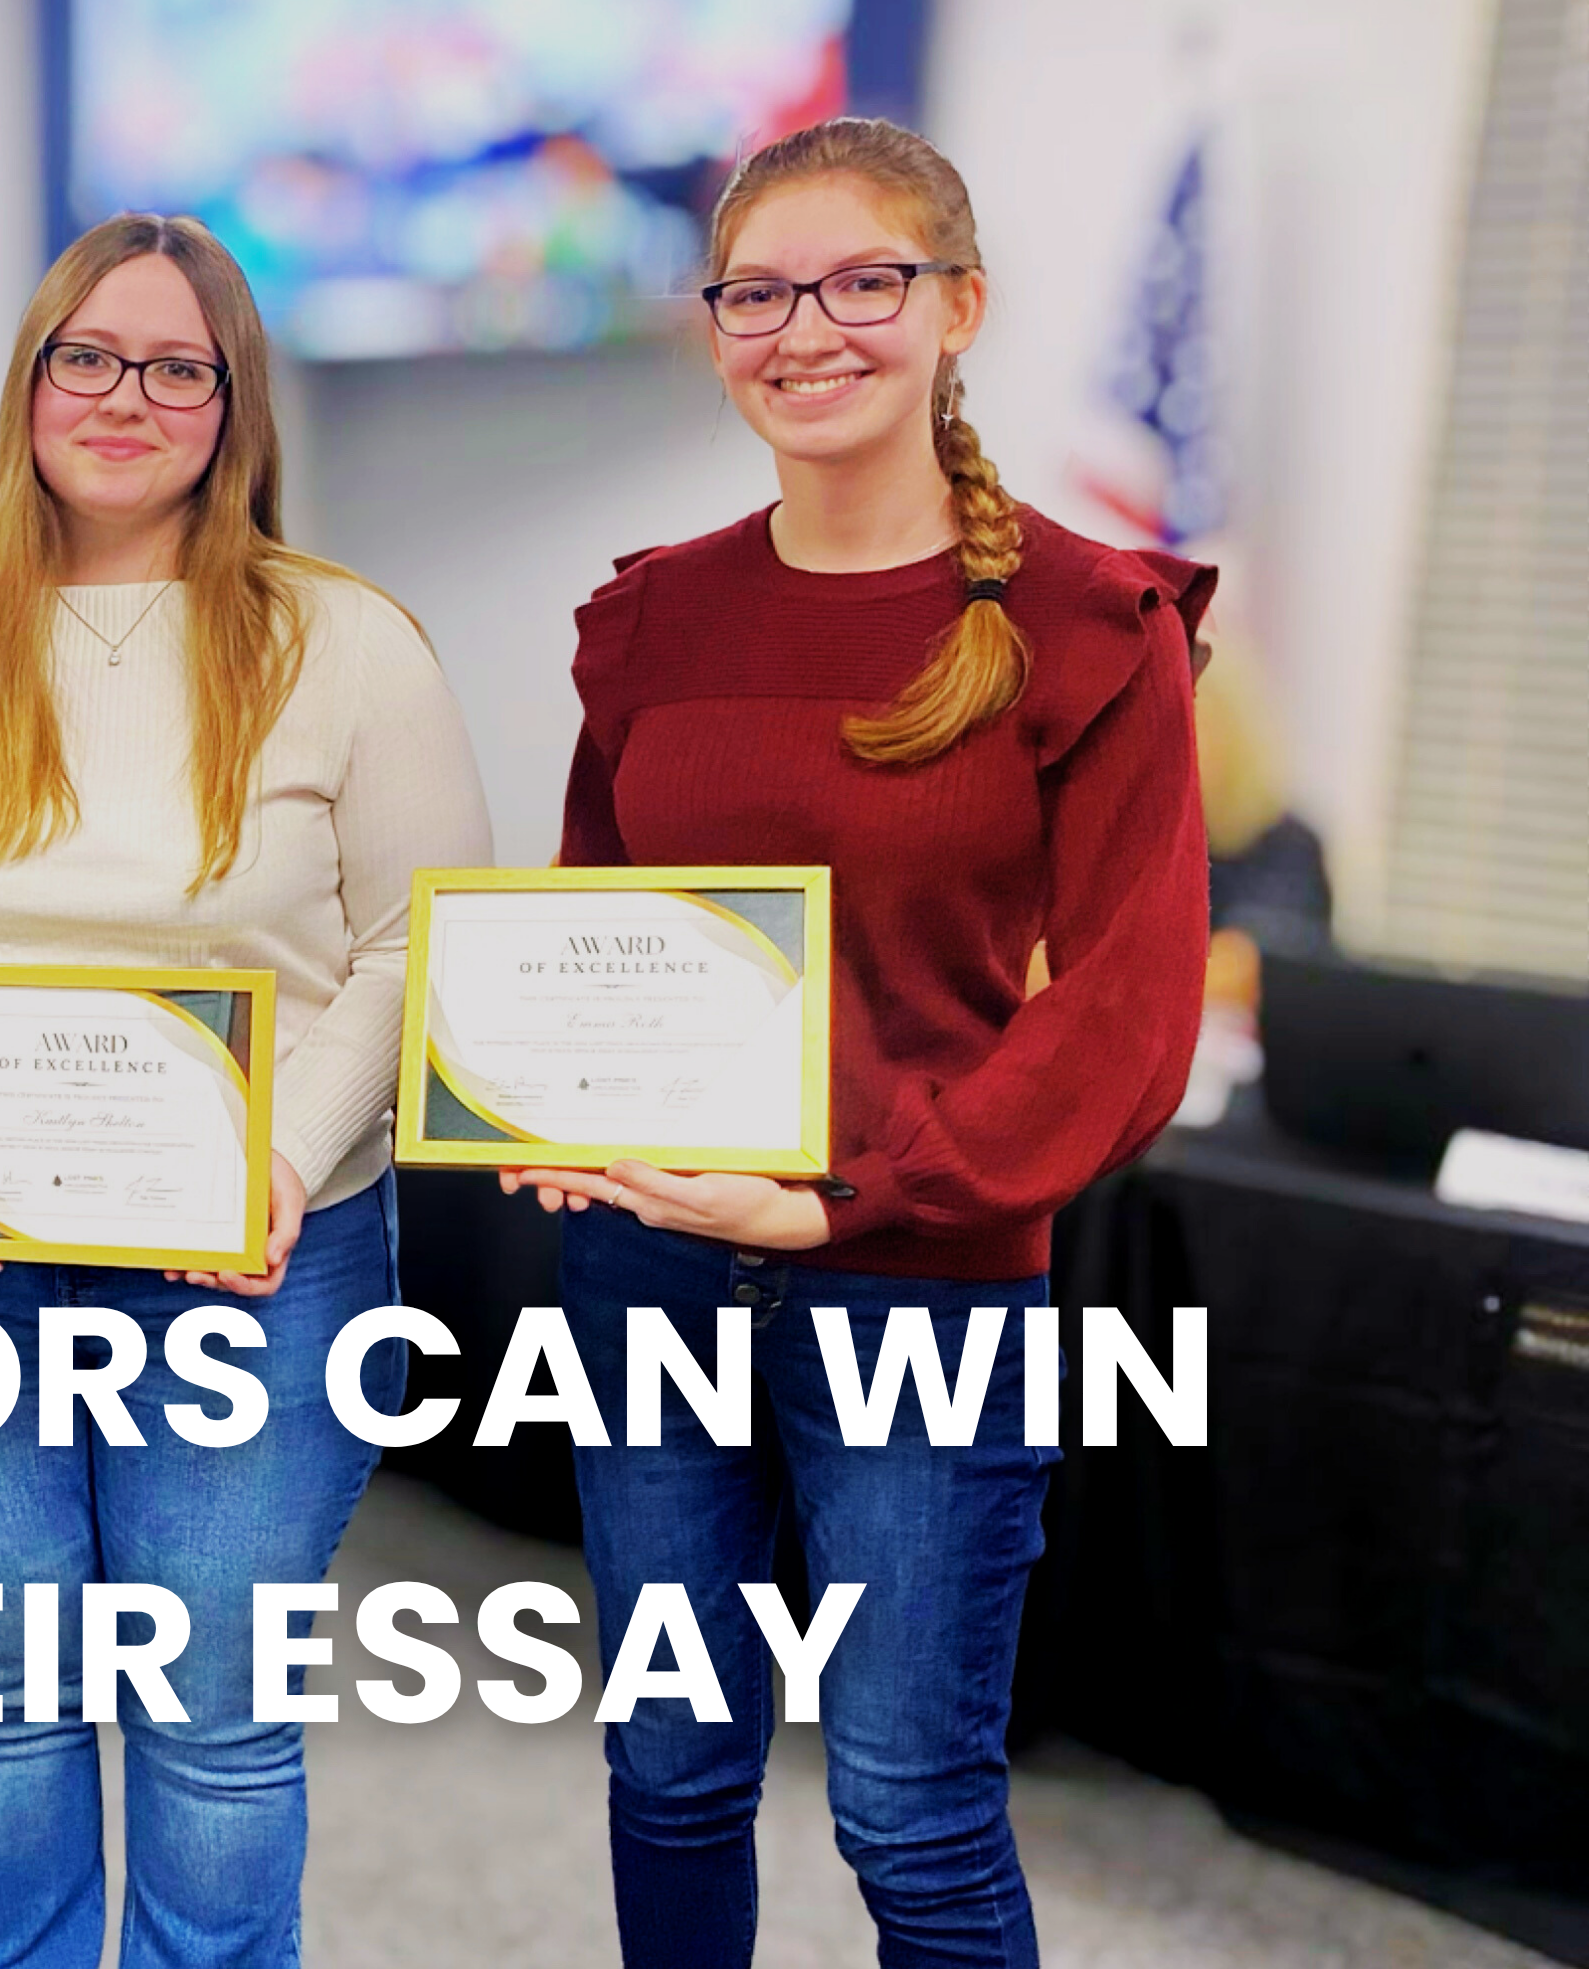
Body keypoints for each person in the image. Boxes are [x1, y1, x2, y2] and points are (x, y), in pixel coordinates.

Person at [507, 118, 1211, 1968]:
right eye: (754, 291)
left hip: (919, 1275)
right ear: (712, 321)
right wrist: (547, 1105)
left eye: (861, 283)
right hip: (644, 1269)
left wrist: (842, 1204)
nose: (804, 329)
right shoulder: (652, 612)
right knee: (665, 1765)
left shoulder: (1087, 622)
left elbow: (1126, 1009)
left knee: (905, 1803)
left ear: (956, 307)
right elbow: (599, 912)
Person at [0, 212, 492, 1968]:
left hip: (268, 1263)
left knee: (209, 1712)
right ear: (30, 385)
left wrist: (283, 1155)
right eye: (84, 357)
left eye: (174, 364)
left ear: (232, 401)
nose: (124, 395)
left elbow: (415, 948)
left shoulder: (351, 647)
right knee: (3, 1704)